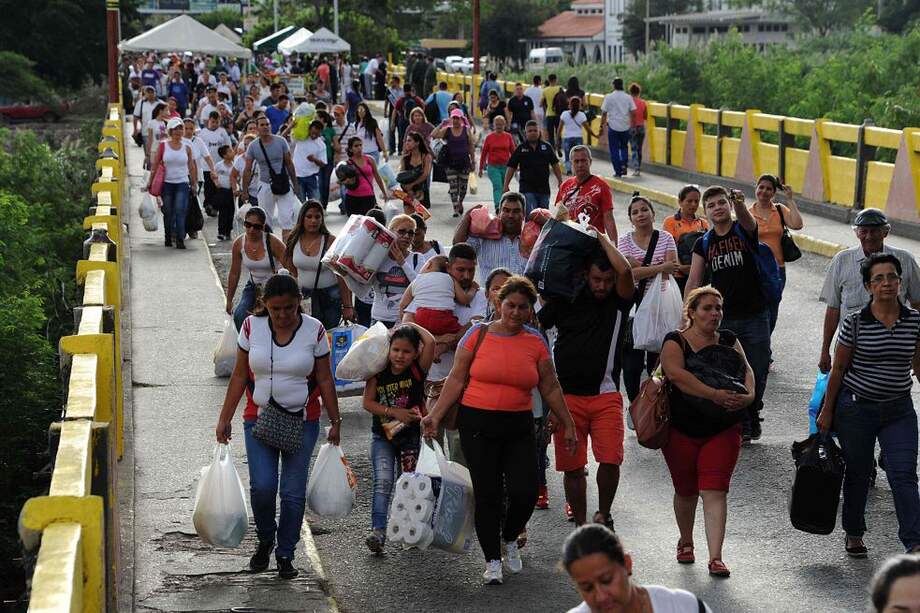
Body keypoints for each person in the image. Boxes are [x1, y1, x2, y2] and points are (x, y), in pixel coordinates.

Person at [421, 276, 578, 586]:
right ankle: (492, 559)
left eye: (523, 307)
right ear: (498, 304)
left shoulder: (535, 341)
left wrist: (568, 422)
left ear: (531, 310)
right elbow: (455, 379)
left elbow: (549, 385)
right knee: (488, 493)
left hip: (518, 424)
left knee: (525, 491)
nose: (516, 313)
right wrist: (435, 416)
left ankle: (509, 536)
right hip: (476, 424)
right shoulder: (477, 335)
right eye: (510, 306)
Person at [215, 271, 342, 580]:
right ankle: (265, 538)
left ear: (299, 303)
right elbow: (240, 375)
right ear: (264, 305)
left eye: (289, 307)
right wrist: (224, 418)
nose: (283, 315)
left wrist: (336, 421)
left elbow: (325, 378)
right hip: (258, 417)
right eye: (276, 309)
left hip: (303, 419)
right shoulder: (250, 326)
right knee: (263, 487)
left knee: (293, 493)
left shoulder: (314, 331)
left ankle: (286, 552)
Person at [817, 253, 920, 558]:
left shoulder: (914, 321)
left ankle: (914, 542)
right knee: (859, 473)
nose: (886, 283)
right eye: (879, 278)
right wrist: (827, 411)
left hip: (898, 410)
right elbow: (838, 369)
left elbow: (918, 365)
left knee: (904, 474)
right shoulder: (855, 322)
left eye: (892, 277)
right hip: (856, 410)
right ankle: (854, 532)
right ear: (868, 286)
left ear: (900, 283)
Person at [538, 231, 634, 528]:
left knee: (610, 460)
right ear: (585, 275)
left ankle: (603, 514)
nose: (602, 286)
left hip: (605, 394)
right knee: (574, 468)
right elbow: (535, 327)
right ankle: (581, 524)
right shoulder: (566, 298)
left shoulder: (619, 301)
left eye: (606, 281)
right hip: (566, 399)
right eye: (596, 280)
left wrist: (601, 237)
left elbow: (626, 271)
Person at [659, 287, 755, 578]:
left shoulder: (729, 340)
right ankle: (686, 541)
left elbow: (747, 370)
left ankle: (716, 557)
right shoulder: (676, 341)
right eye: (707, 308)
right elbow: (676, 375)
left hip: (723, 427)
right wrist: (713, 394)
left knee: (715, 490)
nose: (715, 314)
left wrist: (749, 396)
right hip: (681, 428)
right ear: (691, 312)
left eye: (718, 308)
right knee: (686, 491)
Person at [685, 186, 770, 443]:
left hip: (755, 314)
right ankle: (743, 421)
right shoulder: (704, 243)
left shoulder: (743, 230)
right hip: (723, 319)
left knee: (759, 368)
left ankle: (752, 411)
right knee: (732, 372)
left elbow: (747, 220)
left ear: (729, 206)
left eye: (722, 203)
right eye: (711, 205)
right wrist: (686, 314)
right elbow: (694, 280)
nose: (717, 208)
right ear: (706, 212)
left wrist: (740, 202)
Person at [402, 243, 486, 466]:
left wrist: (439, 345)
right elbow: (407, 323)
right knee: (430, 447)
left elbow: (473, 330)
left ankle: (461, 498)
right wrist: (440, 341)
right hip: (428, 381)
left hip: (463, 385)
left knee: (460, 451)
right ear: (448, 268)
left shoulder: (479, 295)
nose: (467, 276)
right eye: (461, 270)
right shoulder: (431, 286)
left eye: (471, 270)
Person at [363, 322, 437, 553]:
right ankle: (378, 531)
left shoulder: (416, 370)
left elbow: (431, 342)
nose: (400, 356)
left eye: (406, 351)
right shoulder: (379, 372)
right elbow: (367, 403)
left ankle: (410, 531)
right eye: (396, 350)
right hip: (382, 438)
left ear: (415, 353)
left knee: (409, 485)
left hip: (410, 439)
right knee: (383, 482)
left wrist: (410, 323)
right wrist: (393, 412)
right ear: (389, 349)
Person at [818, 207, 920, 373]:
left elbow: (918, 304)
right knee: (844, 392)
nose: (869, 237)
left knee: (892, 389)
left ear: (885, 232)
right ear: (857, 233)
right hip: (850, 348)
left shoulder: (905, 260)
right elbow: (833, 309)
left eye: (875, 231)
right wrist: (825, 351)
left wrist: (917, 352)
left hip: (893, 348)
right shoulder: (841, 260)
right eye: (863, 231)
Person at [562, 525, 713, 612]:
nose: (601, 596)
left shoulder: (684, 607)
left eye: (606, 580)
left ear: (627, 564)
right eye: (587, 588)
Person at [617, 195, 678, 402]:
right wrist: (659, 267)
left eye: (644, 210)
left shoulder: (666, 238)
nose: (640, 214)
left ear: (653, 213)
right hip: (634, 307)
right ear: (631, 218)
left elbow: (672, 269)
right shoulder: (624, 241)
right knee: (632, 364)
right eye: (635, 212)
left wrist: (641, 267)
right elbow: (629, 274)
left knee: (658, 363)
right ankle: (635, 404)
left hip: (661, 307)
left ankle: (653, 404)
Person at [748, 174, 804, 336]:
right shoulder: (747, 213)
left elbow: (797, 224)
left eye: (769, 189)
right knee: (756, 308)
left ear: (773, 192)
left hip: (777, 270)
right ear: (756, 188)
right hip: (755, 270)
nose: (764, 192)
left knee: (772, 308)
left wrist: (790, 199)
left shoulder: (779, 210)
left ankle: (766, 345)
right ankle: (760, 346)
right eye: (761, 187)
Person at [284, 200, 354, 329]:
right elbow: (291, 271)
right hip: (304, 297)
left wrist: (348, 306)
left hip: (330, 298)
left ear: (322, 219)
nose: (313, 221)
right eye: (309, 216)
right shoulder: (293, 239)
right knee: (307, 336)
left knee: (328, 336)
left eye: (317, 217)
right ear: (302, 218)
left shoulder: (330, 241)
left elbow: (342, 276)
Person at [242, 116, 303, 241]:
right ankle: (270, 249)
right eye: (262, 125)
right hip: (265, 185)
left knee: (286, 218)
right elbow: (247, 169)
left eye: (267, 124)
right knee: (265, 220)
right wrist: (244, 191)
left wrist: (295, 184)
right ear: (257, 128)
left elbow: (289, 163)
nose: (265, 127)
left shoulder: (280, 141)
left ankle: (286, 251)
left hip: (284, 184)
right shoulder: (253, 146)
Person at [226, 206, 287, 331]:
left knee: (271, 319)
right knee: (240, 315)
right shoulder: (239, 243)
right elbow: (234, 273)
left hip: (274, 286)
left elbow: (290, 266)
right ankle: (247, 345)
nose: (251, 229)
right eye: (248, 225)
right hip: (254, 285)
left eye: (257, 226)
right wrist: (229, 300)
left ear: (263, 227)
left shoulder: (272, 242)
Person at [354, 215, 421, 328]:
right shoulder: (377, 259)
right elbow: (361, 292)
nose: (406, 236)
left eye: (411, 233)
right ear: (390, 232)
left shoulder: (417, 258)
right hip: (379, 320)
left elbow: (420, 287)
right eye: (401, 231)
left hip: (405, 320)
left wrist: (402, 263)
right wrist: (345, 274)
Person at [146, 117, 196, 249]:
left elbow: (191, 166)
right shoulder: (163, 146)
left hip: (182, 183)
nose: (178, 132)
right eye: (175, 129)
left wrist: (194, 183)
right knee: (168, 211)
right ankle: (168, 236)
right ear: (170, 131)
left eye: (180, 129)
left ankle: (180, 239)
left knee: (180, 210)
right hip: (167, 184)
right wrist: (150, 182)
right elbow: (155, 165)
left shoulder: (187, 147)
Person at [454, 193, 528, 282]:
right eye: (506, 210)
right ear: (498, 213)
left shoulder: (533, 240)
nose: (510, 215)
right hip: (489, 295)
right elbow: (458, 247)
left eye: (516, 211)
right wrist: (468, 216)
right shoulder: (483, 237)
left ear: (523, 215)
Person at [399, 255, 480, 334]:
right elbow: (464, 300)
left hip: (421, 317)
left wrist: (402, 318)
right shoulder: (450, 278)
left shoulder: (417, 279)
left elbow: (403, 304)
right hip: (443, 318)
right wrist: (473, 289)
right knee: (460, 333)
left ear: (428, 265)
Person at [554, 145, 617, 240]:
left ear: (590, 162)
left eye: (583, 160)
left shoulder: (601, 186)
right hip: (568, 242)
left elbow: (609, 219)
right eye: (576, 161)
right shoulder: (565, 186)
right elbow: (558, 217)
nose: (580, 165)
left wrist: (614, 247)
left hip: (592, 243)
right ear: (571, 163)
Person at [503, 120, 563, 215]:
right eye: (530, 131)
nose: (533, 133)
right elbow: (511, 167)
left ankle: (542, 230)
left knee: (544, 216)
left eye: (535, 130)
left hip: (544, 190)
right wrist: (506, 185)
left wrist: (560, 181)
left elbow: (555, 164)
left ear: (539, 132)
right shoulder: (521, 148)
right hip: (527, 189)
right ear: (526, 133)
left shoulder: (547, 147)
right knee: (532, 215)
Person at [663, 185, 708, 295]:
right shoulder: (670, 222)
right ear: (680, 202)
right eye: (689, 201)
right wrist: (681, 267)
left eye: (696, 201)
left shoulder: (703, 223)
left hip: (700, 274)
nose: (693, 204)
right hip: (678, 275)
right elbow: (670, 246)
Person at [432, 109, 475, 217]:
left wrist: (473, 160)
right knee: (453, 186)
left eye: (457, 118)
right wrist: (442, 124)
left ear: (461, 119)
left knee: (463, 188)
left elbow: (471, 145)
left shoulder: (466, 130)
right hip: (450, 163)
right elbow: (434, 135)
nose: (455, 120)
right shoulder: (447, 130)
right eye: (453, 118)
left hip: (464, 163)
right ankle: (455, 208)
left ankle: (460, 202)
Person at [342, 136, 388, 216]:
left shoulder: (369, 159)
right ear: (350, 149)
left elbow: (377, 177)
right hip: (352, 197)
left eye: (360, 145)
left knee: (368, 224)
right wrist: (346, 181)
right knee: (354, 225)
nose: (359, 148)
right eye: (356, 146)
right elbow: (342, 180)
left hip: (368, 196)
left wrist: (384, 192)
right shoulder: (348, 163)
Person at [600, 78, 637, 178]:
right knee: (624, 147)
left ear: (613, 85)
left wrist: (601, 126)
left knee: (614, 149)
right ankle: (624, 164)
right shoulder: (628, 97)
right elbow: (633, 112)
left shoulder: (609, 97)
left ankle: (618, 171)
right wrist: (633, 126)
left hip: (613, 126)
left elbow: (604, 113)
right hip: (625, 126)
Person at [198, 111, 233, 216]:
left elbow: (228, 146)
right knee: (208, 188)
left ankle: (215, 206)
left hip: (220, 165)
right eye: (213, 122)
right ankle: (208, 205)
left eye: (217, 122)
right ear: (208, 121)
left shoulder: (222, 132)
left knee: (218, 187)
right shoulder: (202, 132)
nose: (215, 124)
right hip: (206, 166)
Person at [479, 115, 516, 210]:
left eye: (501, 124)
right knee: (497, 186)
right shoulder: (489, 137)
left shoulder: (508, 136)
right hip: (493, 167)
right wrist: (480, 168)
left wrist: (517, 165)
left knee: (505, 187)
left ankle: (506, 206)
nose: (499, 126)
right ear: (494, 125)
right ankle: (497, 206)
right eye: (497, 124)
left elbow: (513, 152)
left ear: (505, 125)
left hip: (506, 167)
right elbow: (484, 153)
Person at [557, 97, 599, 176]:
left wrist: (557, 142)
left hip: (567, 138)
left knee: (567, 156)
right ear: (579, 105)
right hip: (578, 138)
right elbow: (587, 129)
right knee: (579, 157)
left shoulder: (564, 114)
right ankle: (577, 172)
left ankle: (569, 171)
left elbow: (559, 129)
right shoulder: (582, 115)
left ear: (569, 105)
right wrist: (595, 135)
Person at [292, 120, 327, 202]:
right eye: (313, 132)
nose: (314, 135)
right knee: (300, 204)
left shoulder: (321, 145)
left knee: (315, 203)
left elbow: (323, 164)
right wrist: (291, 125)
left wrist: (314, 160)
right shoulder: (301, 138)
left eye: (317, 134)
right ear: (309, 129)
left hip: (312, 177)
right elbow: (282, 136)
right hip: (297, 176)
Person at [399, 132, 432, 207]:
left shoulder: (426, 156)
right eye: (406, 141)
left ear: (417, 143)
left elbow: (425, 174)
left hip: (421, 191)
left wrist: (412, 184)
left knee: (420, 218)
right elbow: (401, 175)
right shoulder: (405, 158)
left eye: (409, 141)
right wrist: (408, 188)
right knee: (408, 218)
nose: (406, 143)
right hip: (407, 191)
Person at [212, 145, 236, 241]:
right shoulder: (219, 165)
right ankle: (221, 232)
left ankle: (228, 231)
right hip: (222, 191)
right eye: (230, 151)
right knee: (223, 211)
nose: (232, 152)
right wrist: (216, 182)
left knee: (231, 212)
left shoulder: (235, 165)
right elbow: (213, 175)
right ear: (224, 155)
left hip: (232, 191)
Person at [392, 83, 425, 154]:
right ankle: (414, 149)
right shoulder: (416, 99)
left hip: (403, 121)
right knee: (415, 135)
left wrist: (393, 122)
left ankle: (401, 150)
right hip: (414, 121)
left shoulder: (401, 100)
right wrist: (420, 116)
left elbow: (395, 110)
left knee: (402, 136)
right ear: (411, 90)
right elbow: (423, 106)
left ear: (403, 90)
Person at [628, 83, 647, 176]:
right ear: (639, 92)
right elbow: (645, 116)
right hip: (641, 127)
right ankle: (639, 166)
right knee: (639, 149)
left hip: (632, 127)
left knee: (634, 149)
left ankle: (636, 169)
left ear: (630, 92)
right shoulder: (643, 103)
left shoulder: (628, 103)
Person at [540, 74, 563, 151]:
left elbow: (540, 103)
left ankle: (553, 149)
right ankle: (559, 147)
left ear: (549, 80)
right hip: (558, 114)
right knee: (558, 131)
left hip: (549, 114)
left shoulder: (545, 90)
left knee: (550, 134)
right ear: (556, 80)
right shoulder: (559, 88)